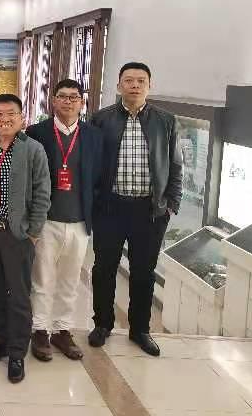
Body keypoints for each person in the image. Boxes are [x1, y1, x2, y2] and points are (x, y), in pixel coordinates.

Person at [88, 62, 182, 356]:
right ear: (119, 86)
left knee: (144, 272)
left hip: (150, 212)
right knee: (104, 268)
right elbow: (91, 164)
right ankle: (102, 323)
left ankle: (140, 329)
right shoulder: (101, 119)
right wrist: (94, 202)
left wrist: (171, 205)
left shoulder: (166, 121)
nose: (135, 85)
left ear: (149, 86)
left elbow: (176, 165)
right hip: (110, 208)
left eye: (141, 81)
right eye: (129, 80)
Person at [0, 93, 50, 384]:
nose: (4, 119)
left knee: (18, 296)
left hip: (17, 235)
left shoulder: (33, 149)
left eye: (11, 114)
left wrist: (33, 232)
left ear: (21, 118)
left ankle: (17, 353)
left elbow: (42, 193)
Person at [25, 79, 102, 361]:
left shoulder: (93, 136)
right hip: (47, 221)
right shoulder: (36, 133)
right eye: (63, 96)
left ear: (82, 102)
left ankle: (62, 330)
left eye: (74, 97)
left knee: (70, 280)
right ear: (53, 101)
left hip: (79, 221)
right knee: (42, 278)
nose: (68, 101)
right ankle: (39, 330)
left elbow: (99, 178)